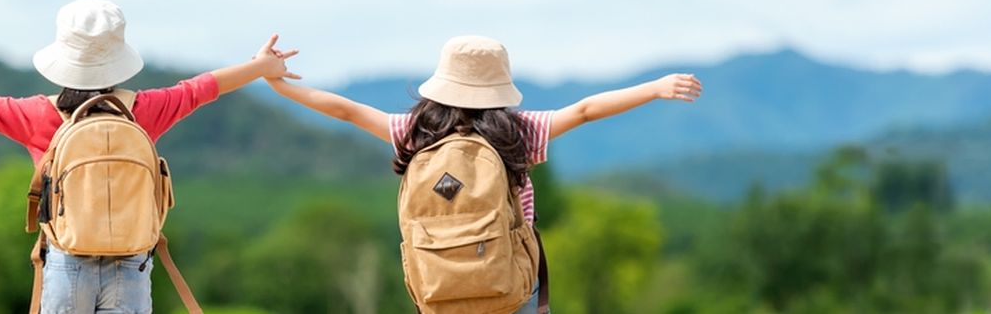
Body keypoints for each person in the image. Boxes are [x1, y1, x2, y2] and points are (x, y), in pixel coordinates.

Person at [0, 0, 298, 313]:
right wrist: (262, 66)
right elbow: (201, 88)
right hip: (131, 262)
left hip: (66, 262)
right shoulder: (142, 111)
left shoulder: (37, 114)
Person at [264, 35, 702, 313]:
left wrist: (278, 83)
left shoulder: (413, 132)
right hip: (508, 285)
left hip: (438, 286)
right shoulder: (519, 131)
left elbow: (345, 110)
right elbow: (585, 110)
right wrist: (654, 88)